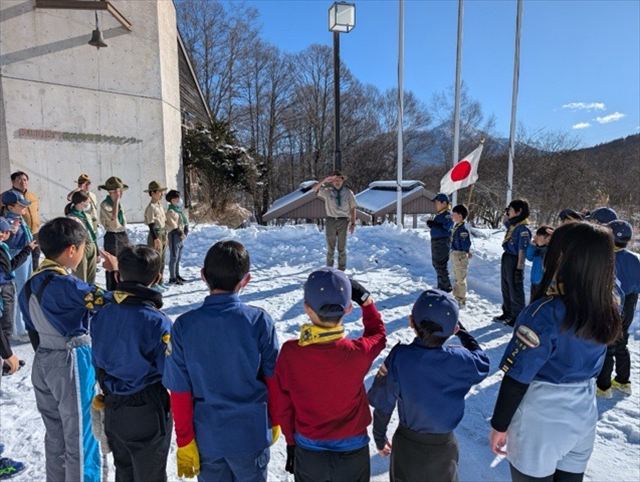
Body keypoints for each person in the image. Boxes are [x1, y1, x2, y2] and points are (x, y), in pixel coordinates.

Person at [489, 222, 622, 482]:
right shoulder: (609, 307)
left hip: (542, 414)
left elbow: (517, 377)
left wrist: (499, 425)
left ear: (563, 258)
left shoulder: (544, 313)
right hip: (584, 410)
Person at [163, 241, 279, 482]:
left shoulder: (184, 326)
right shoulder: (259, 321)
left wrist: (185, 440)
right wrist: (276, 418)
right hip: (250, 434)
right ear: (246, 280)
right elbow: (273, 378)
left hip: (209, 437)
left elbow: (180, 391)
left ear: (203, 276)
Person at [18, 217, 118, 482]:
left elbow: (32, 329)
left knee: (57, 435)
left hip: (43, 361)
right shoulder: (68, 285)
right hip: (71, 358)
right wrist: (114, 273)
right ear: (71, 250)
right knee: (84, 433)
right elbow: (111, 302)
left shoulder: (29, 286)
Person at [270, 269, 386, 482]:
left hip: (309, 449)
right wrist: (367, 302)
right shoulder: (357, 353)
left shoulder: (290, 353)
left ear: (307, 309)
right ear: (349, 308)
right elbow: (378, 335)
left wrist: (290, 441)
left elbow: (283, 403)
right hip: (353, 451)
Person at [368, 289, 489, 482]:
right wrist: (464, 334)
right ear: (453, 330)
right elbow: (482, 361)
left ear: (411, 321)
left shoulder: (400, 357)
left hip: (407, 447)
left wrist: (380, 437)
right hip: (444, 448)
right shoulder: (461, 360)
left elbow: (384, 403)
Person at [91, 245, 173, 482]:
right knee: (150, 474)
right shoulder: (157, 322)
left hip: (113, 404)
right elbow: (169, 372)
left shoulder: (102, 314)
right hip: (147, 405)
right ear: (157, 278)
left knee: (124, 470)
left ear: (118, 275)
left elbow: (98, 358)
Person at [596, 220, 640, 397]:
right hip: (628, 305)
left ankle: (603, 386)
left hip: (610, 305)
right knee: (621, 343)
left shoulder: (604, 257)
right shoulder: (633, 258)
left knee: (606, 345)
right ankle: (623, 381)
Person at [1, 191, 34, 340]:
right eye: (20, 206)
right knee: (18, 292)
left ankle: (22, 325)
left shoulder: (19, 218)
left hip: (25, 254)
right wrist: (11, 233)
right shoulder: (5, 221)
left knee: (25, 290)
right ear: (10, 206)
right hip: (16, 255)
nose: (24, 208)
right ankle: (17, 329)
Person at [494, 199, 531, 327]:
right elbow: (505, 221)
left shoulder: (523, 229)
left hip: (515, 260)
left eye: (510, 210)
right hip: (507, 257)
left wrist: (519, 269)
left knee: (515, 289)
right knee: (506, 286)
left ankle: (517, 316)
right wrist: (507, 212)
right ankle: (507, 312)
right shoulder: (513, 225)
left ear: (519, 211)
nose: (508, 212)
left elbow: (522, 250)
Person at [312, 172, 357, 271]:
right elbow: (314, 189)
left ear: (342, 180)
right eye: (335, 180)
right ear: (332, 182)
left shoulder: (348, 192)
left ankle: (341, 269)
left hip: (343, 221)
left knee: (342, 248)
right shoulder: (327, 191)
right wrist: (324, 180)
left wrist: (353, 223)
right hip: (331, 220)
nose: (337, 182)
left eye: (339, 180)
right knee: (330, 248)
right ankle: (329, 269)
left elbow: (353, 208)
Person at [0, 171, 41, 271]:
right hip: (17, 248)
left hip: (32, 235)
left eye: (25, 180)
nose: (23, 182)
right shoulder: (6, 197)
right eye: (19, 180)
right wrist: (8, 230)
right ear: (13, 182)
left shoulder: (32, 196)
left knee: (34, 263)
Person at [99, 176, 129, 290]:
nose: (120, 194)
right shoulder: (106, 204)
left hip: (122, 234)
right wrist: (116, 201)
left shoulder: (119, 203)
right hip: (113, 236)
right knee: (112, 266)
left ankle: (122, 288)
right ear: (111, 192)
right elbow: (113, 218)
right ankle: (112, 290)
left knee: (123, 264)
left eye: (121, 191)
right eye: (118, 191)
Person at [65, 191, 98, 284]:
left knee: (91, 277)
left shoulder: (86, 215)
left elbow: (93, 234)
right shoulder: (71, 218)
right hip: (80, 247)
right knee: (80, 277)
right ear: (81, 202)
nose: (88, 204)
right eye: (87, 202)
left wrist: (97, 252)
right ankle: (80, 297)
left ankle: (90, 295)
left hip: (91, 245)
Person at [428, 193, 454, 292]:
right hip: (436, 242)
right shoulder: (440, 214)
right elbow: (439, 226)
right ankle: (441, 285)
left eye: (437, 202)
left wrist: (435, 224)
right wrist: (433, 225)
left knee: (440, 264)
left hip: (442, 242)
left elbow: (447, 227)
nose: (436, 205)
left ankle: (446, 287)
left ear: (443, 203)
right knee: (436, 264)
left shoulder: (447, 215)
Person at [144, 181, 168, 286]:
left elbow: (164, 221)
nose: (161, 194)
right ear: (152, 193)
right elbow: (151, 224)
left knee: (162, 260)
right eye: (159, 192)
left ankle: (160, 280)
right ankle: (154, 283)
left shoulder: (159, 205)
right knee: (155, 261)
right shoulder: (151, 207)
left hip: (162, 233)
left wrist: (165, 235)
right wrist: (155, 238)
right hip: (156, 234)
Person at [165, 190, 189, 285]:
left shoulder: (178, 210)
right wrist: (181, 233)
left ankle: (177, 274)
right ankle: (172, 277)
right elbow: (173, 225)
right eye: (176, 198)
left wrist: (185, 231)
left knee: (178, 257)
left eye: (178, 198)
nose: (178, 199)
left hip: (180, 235)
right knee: (174, 256)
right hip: (174, 235)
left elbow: (184, 222)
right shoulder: (170, 211)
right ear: (171, 200)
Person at [450, 204, 472, 306]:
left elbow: (465, 244)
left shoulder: (462, 230)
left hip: (460, 255)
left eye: (454, 214)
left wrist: (466, 251)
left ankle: (461, 299)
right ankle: (456, 295)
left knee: (460, 278)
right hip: (455, 254)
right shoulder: (457, 227)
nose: (452, 216)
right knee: (456, 276)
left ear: (460, 215)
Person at [526, 226, 553, 301]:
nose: (548, 241)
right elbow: (529, 257)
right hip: (535, 280)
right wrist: (532, 245)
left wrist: (541, 246)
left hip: (544, 282)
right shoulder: (537, 249)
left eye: (549, 239)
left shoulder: (549, 250)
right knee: (533, 301)